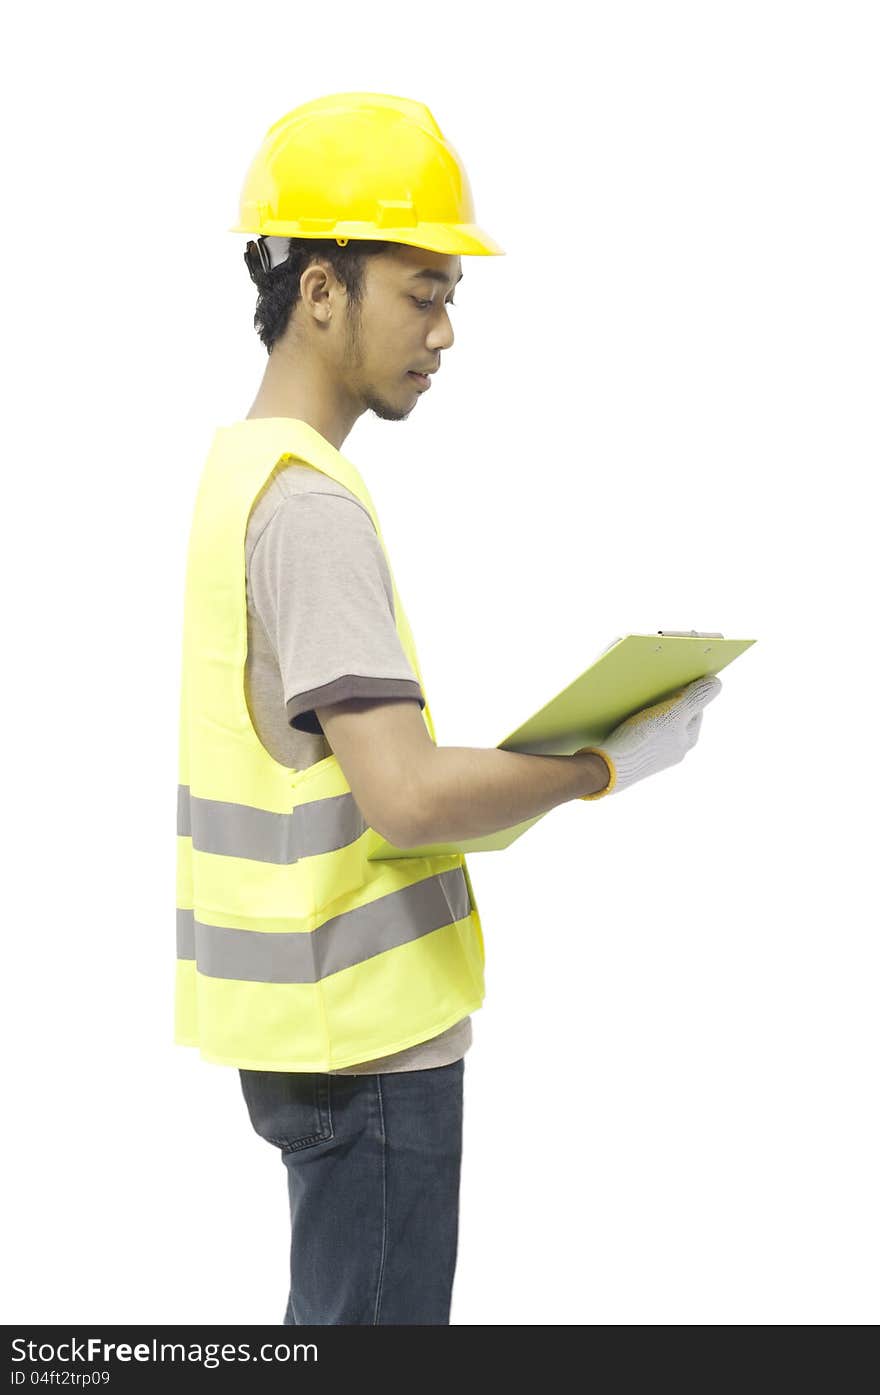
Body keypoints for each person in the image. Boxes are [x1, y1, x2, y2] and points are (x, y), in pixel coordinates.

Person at [176, 92, 722, 1327]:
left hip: (305, 1029)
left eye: (451, 298)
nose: (444, 331)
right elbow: (407, 794)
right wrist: (601, 764)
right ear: (322, 290)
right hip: (367, 1043)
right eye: (422, 291)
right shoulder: (309, 507)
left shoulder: (237, 472)